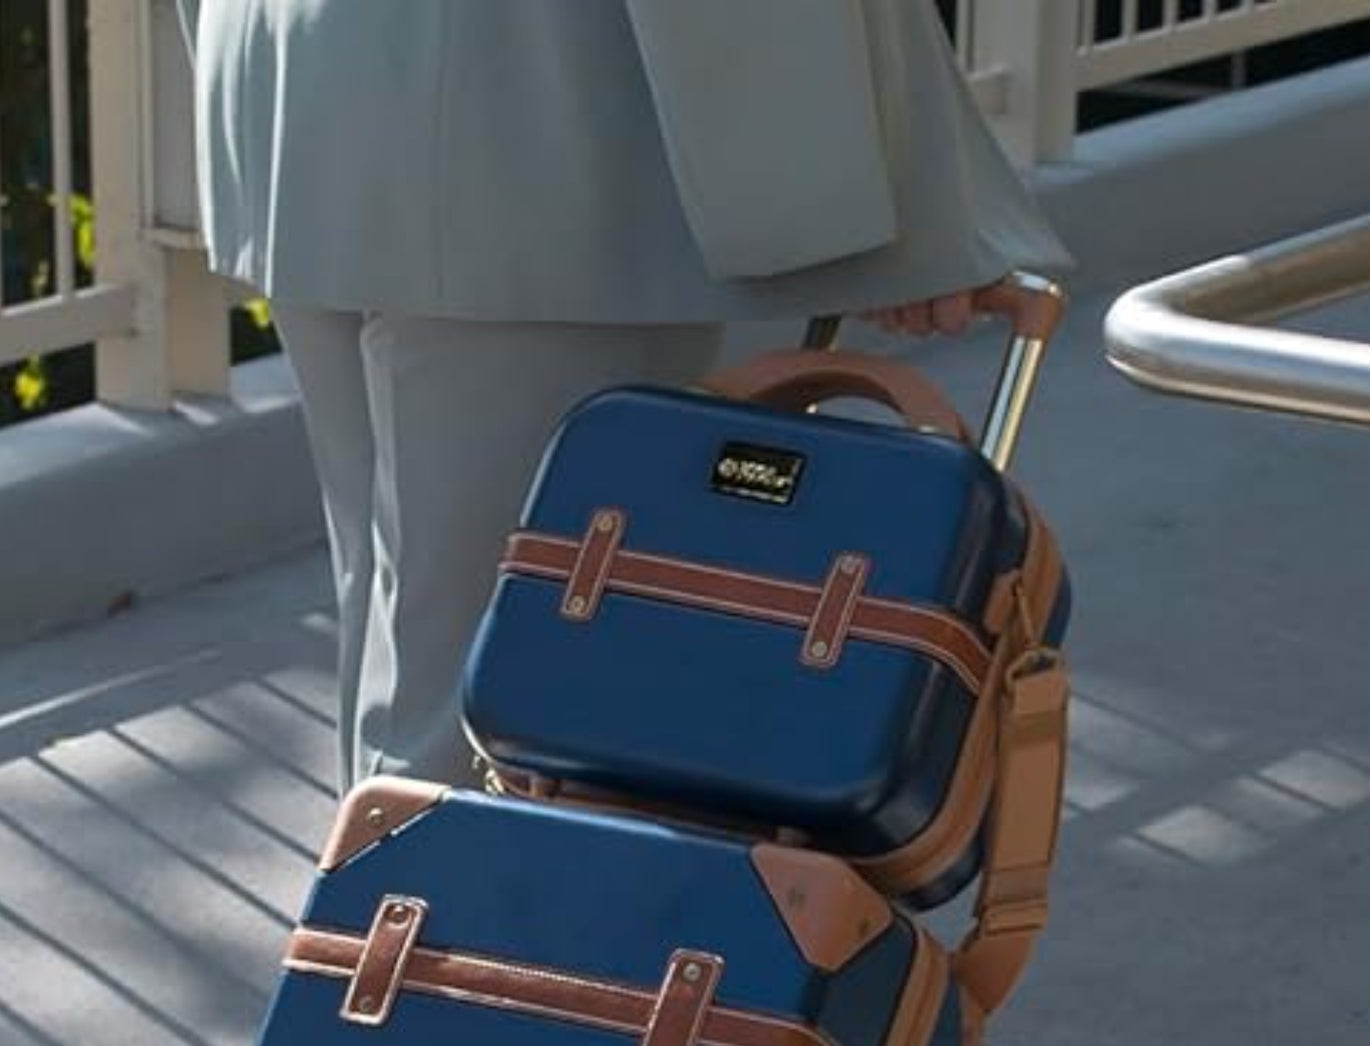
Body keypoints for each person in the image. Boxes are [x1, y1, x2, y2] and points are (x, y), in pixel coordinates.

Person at [175, 0, 1068, 793]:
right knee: (512, 690)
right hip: (542, 123)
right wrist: (905, 217)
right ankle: (455, 968)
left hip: (303, 75)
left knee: (411, 643)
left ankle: (384, 959)